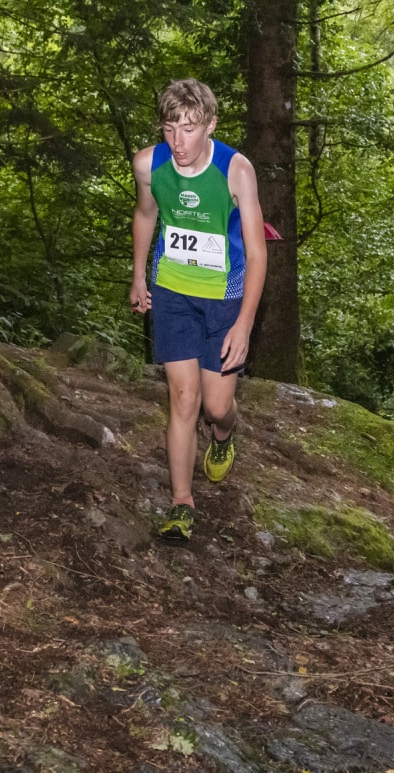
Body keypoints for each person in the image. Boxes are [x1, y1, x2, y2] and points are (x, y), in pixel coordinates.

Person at [130, 79, 267, 542]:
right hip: (172, 291)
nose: (178, 141)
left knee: (216, 406)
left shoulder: (236, 170)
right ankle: (181, 503)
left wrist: (245, 324)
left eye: (188, 129)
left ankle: (225, 433)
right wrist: (138, 275)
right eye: (170, 129)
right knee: (184, 398)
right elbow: (146, 214)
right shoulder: (149, 165)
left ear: (210, 125)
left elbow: (257, 251)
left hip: (225, 296)